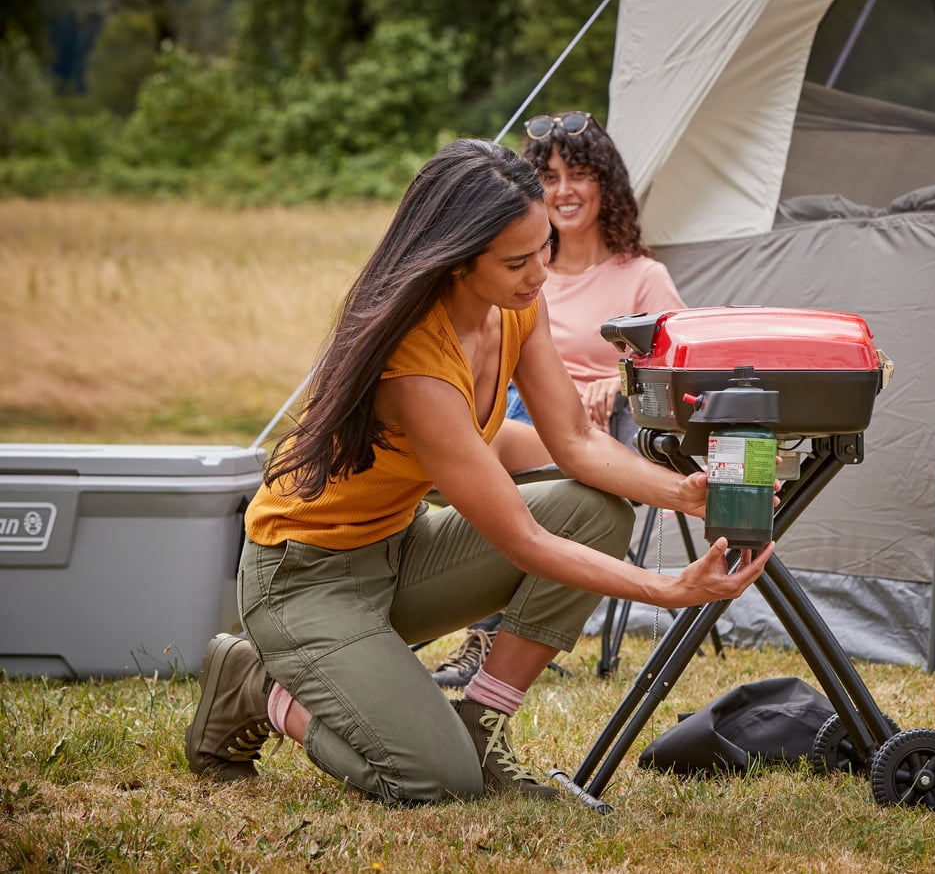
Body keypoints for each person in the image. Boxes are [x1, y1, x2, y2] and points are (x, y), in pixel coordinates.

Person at [183, 139, 773, 806]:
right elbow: (523, 539)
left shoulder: (517, 304)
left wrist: (682, 493)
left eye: (544, 247)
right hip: (304, 581)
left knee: (596, 509)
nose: (539, 274)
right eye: (517, 261)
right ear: (456, 263)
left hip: (396, 550)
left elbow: (575, 438)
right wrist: (665, 589)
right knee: (435, 780)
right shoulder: (415, 362)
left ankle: (482, 722)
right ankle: (258, 686)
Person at [431, 111, 688, 688]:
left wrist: (616, 379)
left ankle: (487, 632)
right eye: (548, 178)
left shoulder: (641, 276)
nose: (564, 191)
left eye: (579, 174)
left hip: (595, 429)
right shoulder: (504, 276)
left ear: (607, 183)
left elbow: (677, 366)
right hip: (505, 417)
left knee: (505, 427)